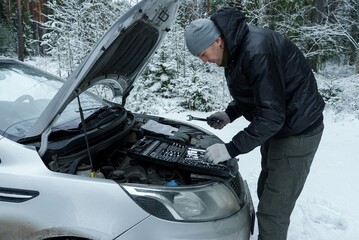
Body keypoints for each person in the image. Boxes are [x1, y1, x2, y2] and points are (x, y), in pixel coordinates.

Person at [184, 7, 325, 240]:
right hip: (281, 128)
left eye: (202, 54)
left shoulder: (256, 51)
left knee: (274, 208)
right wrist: (230, 113)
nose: (204, 61)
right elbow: (255, 93)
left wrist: (230, 149)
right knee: (266, 186)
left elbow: (272, 115)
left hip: (298, 131)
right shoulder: (236, 47)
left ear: (217, 40)